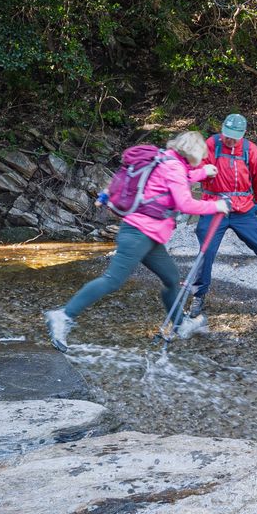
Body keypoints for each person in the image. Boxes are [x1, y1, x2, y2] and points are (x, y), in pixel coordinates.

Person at [43, 131, 231, 351]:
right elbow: (185, 204)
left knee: (171, 278)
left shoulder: (168, 160)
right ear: (195, 151)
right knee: (112, 280)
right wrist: (216, 206)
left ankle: (180, 324)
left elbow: (178, 181)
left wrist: (201, 173)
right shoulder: (174, 166)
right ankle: (63, 316)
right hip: (138, 234)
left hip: (149, 236)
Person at [187, 113, 257, 319]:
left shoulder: (249, 150)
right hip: (215, 206)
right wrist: (203, 171)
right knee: (206, 251)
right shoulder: (212, 144)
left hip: (243, 209)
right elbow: (197, 167)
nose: (229, 140)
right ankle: (199, 294)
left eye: (233, 137)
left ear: (242, 135)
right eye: (226, 135)